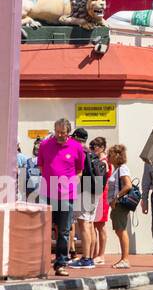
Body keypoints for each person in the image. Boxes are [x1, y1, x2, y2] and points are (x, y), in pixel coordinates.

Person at [37, 118, 84, 276]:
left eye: (63, 133)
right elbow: (42, 166)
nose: (59, 135)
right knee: (44, 229)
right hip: (47, 193)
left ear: (68, 132)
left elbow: (79, 170)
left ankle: (60, 264)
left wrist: (71, 184)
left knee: (64, 231)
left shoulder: (76, 147)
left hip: (66, 195)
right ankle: (40, 264)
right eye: (57, 132)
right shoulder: (45, 145)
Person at [68, 128, 100, 268]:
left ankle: (86, 258)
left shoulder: (79, 151)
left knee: (83, 225)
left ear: (75, 138)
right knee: (90, 224)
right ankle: (90, 257)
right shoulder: (90, 152)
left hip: (84, 190)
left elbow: (77, 172)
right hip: (94, 189)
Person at [105, 144, 135, 269]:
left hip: (119, 204)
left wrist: (116, 198)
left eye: (110, 155)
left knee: (121, 230)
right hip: (116, 205)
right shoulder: (117, 169)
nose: (107, 157)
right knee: (119, 230)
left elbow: (128, 185)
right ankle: (124, 258)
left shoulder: (122, 169)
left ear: (116, 156)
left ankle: (125, 259)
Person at [89, 137, 110, 265]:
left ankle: (101, 254)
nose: (94, 148)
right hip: (99, 193)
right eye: (93, 146)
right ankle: (96, 253)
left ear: (102, 147)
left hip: (103, 194)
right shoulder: (98, 160)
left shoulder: (104, 161)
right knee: (95, 225)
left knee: (100, 225)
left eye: (96, 146)